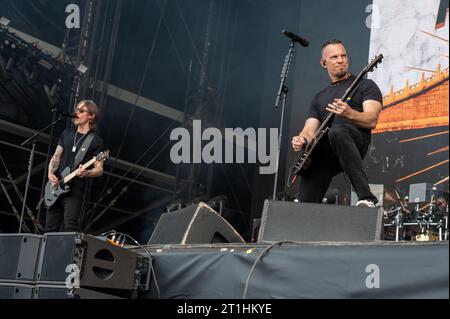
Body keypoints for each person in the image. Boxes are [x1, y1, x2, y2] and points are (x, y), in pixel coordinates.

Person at [291, 39, 383, 207]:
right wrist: (301, 139)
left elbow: (371, 120)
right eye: (334, 57)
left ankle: (367, 198)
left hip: (354, 141)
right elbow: (309, 130)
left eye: (343, 56)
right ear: (323, 63)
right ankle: (305, 219)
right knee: (305, 203)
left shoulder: (365, 85)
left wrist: (350, 113)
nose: (340, 60)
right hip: (327, 150)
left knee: (338, 131)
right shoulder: (320, 97)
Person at [45, 100, 105, 232]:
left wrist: (87, 173)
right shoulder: (67, 133)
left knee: (69, 225)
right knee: (49, 227)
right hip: (56, 185)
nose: (76, 113)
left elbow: (99, 169)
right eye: (76, 110)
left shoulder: (95, 141)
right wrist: (50, 173)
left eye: (81, 111)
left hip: (75, 188)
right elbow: (56, 157)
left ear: (91, 116)